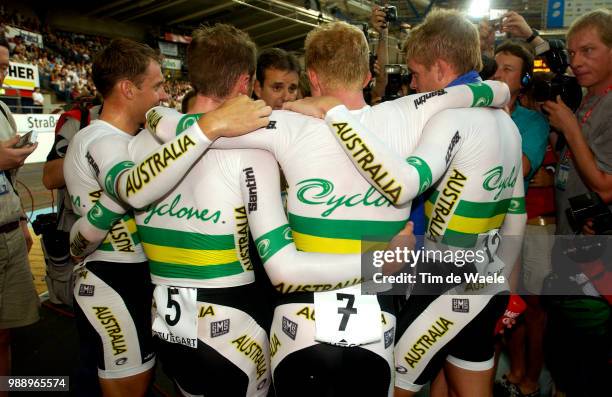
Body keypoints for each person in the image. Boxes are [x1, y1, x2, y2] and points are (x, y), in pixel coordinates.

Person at [147, 21, 510, 396]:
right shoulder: (408, 113)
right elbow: (482, 92)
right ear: (368, 75)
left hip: (298, 320)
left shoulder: (283, 124)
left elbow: (169, 126)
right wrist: (500, 92)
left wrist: (183, 118)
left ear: (312, 77)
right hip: (376, 313)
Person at [285, 9, 526, 397]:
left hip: (444, 277)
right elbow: (517, 215)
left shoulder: (450, 120)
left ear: (441, 69)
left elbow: (400, 186)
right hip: (490, 276)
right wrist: (512, 291)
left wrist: (334, 113)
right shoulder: (507, 124)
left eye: (415, 73)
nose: (413, 85)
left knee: (395, 385)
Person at [63, 38, 269, 397]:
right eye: (157, 86)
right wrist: (209, 126)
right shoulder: (101, 139)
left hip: (150, 283)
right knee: (126, 387)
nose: (163, 96)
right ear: (128, 88)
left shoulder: (139, 138)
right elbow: (129, 191)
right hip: (114, 280)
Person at [541, 8, 612, 396]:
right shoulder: (588, 101)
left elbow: (604, 186)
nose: (577, 62)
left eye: (588, 50)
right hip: (571, 246)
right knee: (565, 358)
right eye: (572, 53)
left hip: (597, 262)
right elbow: (572, 160)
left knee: (584, 363)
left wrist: (569, 126)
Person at [490, 39, 551, 397]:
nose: (498, 74)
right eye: (496, 67)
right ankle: (513, 371)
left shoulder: (532, 122)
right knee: (500, 303)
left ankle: (532, 375)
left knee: (532, 308)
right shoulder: (480, 114)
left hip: (525, 224)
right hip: (488, 226)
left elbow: (522, 166)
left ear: (523, 81)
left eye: (507, 69)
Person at [0, 35, 39, 397]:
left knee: (6, 330)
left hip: (9, 231)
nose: (2, 74)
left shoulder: (2, 110)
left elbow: (8, 179)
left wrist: (23, 221)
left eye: (4, 67)